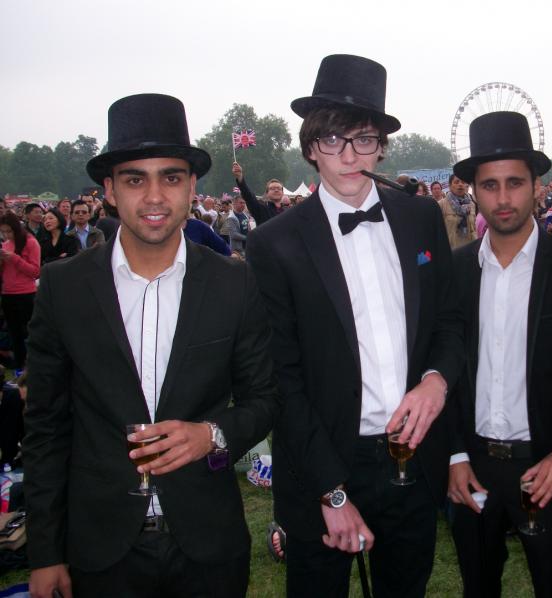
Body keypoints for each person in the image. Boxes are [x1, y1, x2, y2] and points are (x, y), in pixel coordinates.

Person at [23, 93, 280, 598]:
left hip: (208, 542)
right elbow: (46, 428)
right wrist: (46, 552)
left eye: (172, 177)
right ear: (110, 191)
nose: (155, 196)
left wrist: (212, 434)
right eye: (135, 179)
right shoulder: (65, 287)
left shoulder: (235, 283)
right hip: (100, 548)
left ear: (191, 189)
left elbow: (265, 399)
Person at [247, 54, 463, 598]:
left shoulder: (419, 218)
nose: (348, 154)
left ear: (382, 146)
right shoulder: (274, 243)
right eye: (333, 139)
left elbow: (451, 322)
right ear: (311, 145)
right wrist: (331, 491)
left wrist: (436, 380)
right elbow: (281, 379)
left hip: (411, 458)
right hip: (322, 465)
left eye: (363, 139)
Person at [446, 111, 552, 598]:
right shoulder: (456, 272)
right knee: (478, 585)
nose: (503, 198)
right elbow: (446, 368)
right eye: (490, 184)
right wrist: (455, 454)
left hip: (545, 464)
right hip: (473, 463)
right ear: (474, 190)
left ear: (537, 186)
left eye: (515, 183)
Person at [0, 212, 41, 371]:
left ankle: (33, 366)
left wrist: (15, 259)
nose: (6, 235)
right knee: (14, 333)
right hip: (8, 293)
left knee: (29, 332)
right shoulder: (6, 244)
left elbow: (35, 271)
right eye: (3, 232)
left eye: (9, 231)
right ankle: (19, 366)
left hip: (25, 293)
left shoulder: (30, 243)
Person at [440, 174, 476, 248]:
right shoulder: (442, 204)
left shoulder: (471, 204)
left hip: (469, 249)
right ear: (450, 186)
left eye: (463, 182)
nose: (460, 184)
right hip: (451, 250)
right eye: (456, 182)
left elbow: (474, 229)